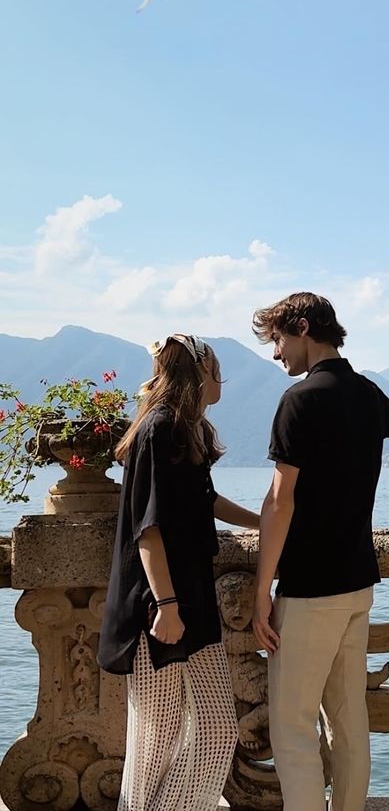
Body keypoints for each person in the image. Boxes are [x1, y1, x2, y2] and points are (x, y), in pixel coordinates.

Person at [251, 292, 389, 811]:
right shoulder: (366, 394)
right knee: (349, 721)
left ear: (301, 328)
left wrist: (260, 592)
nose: (276, 354)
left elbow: (279, 501)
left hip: (310, 588)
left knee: (294, 728)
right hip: (358, 584)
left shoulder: (300, 401)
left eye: (277, 339)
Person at [98, 333, 260, 811]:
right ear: (199, 373)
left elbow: (202, 502)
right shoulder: (161, 429)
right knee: (156, 735)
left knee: (217, 729)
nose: (222, 381)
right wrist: (166, 606)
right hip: (160, 605)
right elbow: (147, 530)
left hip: (191, 596)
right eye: (217, 370)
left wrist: (263, 521)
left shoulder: (188, 430)